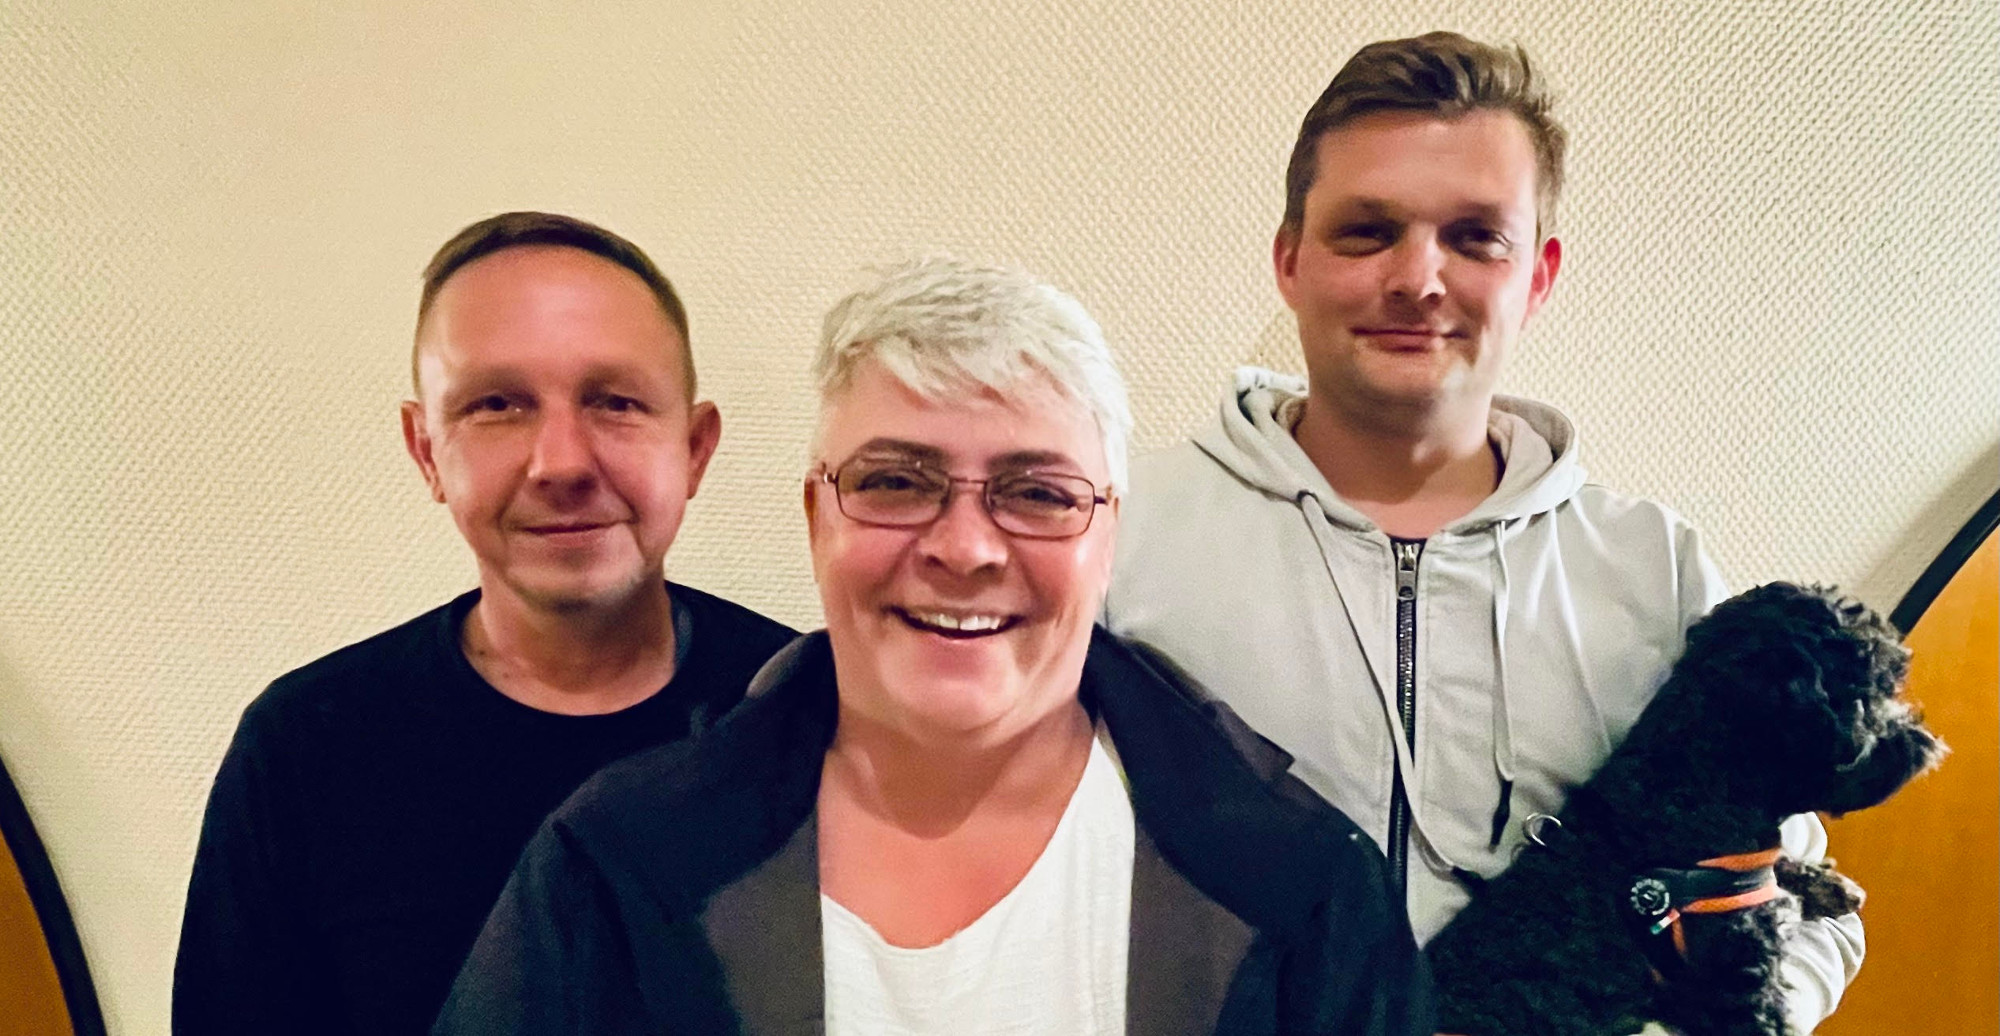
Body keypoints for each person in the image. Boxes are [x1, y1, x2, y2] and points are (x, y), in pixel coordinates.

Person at [432, 257, 1432, 1035]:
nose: (964, 548)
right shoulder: (613, 867)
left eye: (1037, 493)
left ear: (1108, 538)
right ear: (817, 517)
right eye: (895, 482)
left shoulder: (1300, 887)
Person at [1102, 31, 1862, 1034]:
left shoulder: (1655, 571)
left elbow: (1804, 904)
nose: (1418, 278)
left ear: (1537, 275)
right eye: (1366, 231)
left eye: (1474, 237)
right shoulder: (1118, 536)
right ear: (1288, 260)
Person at [173, 212, 798, 1036]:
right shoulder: (304, 747)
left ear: (695, 449)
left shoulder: (811, 719)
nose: (562, 463)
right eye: (497, 405)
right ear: (426, 450)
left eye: (615, 401)